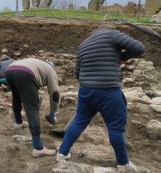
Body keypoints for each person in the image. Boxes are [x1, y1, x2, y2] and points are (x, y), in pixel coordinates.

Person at [57, 26, 146, 171]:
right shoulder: (112, 35)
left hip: (85, 91)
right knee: (116, 127)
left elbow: (77, 73)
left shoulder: (83, 44)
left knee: (79, 121)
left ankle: (62, 153)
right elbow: (139, 48)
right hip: (108, 90)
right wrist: (122, 57)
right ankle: (123, 163)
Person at [5, 58, 60, 157]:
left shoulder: (39, 64)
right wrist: (53, 112)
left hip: (9, 70)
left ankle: (18, 122)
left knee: (16, 97)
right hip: (25, 73)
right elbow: (55, 95)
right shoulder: (50, 70)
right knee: (32, 107)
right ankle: (38, 148)